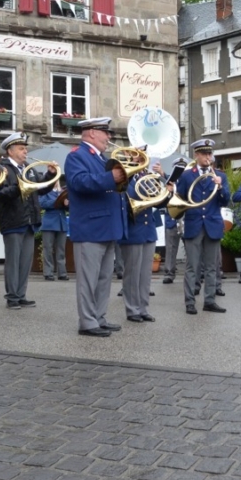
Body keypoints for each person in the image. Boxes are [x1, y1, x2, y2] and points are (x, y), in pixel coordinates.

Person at [64, 117, 128, 336]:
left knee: (103, 278)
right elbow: (79, 182)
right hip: (90, 228)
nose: (108, 137)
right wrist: (111, 177)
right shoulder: (76, 156)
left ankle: (99, 317)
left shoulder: (101, 158)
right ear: (92, 133)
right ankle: (87, 322)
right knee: (88, 280)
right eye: (105, 132)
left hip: (107, 226)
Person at [0, 133, 57, 310]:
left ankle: (21, 294)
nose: (25, 151)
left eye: (25, 148)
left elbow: (41, 189)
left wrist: (50, 175)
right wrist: (20, 186)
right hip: (13, 220)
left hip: (30, 221)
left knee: (25, 262)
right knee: (13, 262)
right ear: (10, 151)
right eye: (21, 148)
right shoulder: (2, 169)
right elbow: (0, 194)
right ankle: (12, 297)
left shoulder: (29, 169)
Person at [175, 138, 230, 315]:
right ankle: (190, 302)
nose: (208, 157)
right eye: (204, 153)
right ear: (196, 155)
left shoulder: (220, 176)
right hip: (194, 224)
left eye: (209, 153)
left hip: (212, 225)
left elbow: (225, 201)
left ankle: (210, 301)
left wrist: (220, 187)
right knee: (192, 266)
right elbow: (180, 199)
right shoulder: (187, 175)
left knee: (212, 267)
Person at [120, 165, 165, 323]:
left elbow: (159, 203)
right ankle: (132, 309)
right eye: (138, 157)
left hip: (148, 231)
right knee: (132, 273)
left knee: (145, 274)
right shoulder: (125, 178)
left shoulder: (147, 177)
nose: (142, 161)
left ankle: (143, 308)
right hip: (133, 230)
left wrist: (166, 188)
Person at [161, 157, 186, 284]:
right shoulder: (168, 182)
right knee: (170, 248)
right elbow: (162, 202)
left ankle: (197, 272)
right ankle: (169, 273)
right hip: (172, 218)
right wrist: (167, 191)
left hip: (186, 218)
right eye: (179, 167)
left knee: (191, 248)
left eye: (183, 167)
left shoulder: (188, 181)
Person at [38, 179, 69, 281]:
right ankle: (48, 272)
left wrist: (67, 204)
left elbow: (69, 207)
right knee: (48, 249)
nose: (56, 182)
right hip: (49, 223)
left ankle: (62, 273)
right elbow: (42, 203)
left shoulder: (62, 192)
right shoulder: (46, 191)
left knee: (61, 250)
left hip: (61, 223)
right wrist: (57, 201)